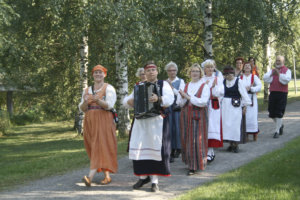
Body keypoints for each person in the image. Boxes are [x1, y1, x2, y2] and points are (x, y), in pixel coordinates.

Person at [123, 61, 174, 192]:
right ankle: (143, 177)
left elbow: (170, 99)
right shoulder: (139, 86)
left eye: (153, 70)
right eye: (148, 70)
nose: (151, 72)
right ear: (144, 73)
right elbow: (126, 102)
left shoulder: (164, 84)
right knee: (140, 150)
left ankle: (154, 181)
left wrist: (159, 99)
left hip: (156, 121)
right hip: (141, 123)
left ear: (157, 72)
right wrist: (129, 102)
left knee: (154, 150)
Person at [79, 65, 118, 186]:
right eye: (95, 72)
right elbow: (82, 108)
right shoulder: (87, 90)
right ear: (92, 75)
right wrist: (86, 102)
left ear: (104, 74)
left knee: (101, 145)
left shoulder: (109, 88)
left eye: (100, 72)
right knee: (93, 145)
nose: (98, 75)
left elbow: (109, 105)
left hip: (104, 119)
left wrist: (98, 101)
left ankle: (89, 177)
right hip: (90, 121)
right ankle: (107, 176)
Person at [177, 63, 210, 175]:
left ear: (200, 73)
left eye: (197, 71)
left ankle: (195, 165)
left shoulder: (204, 86)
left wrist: (188, 97)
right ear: (189, 73)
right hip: (186, 115)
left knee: (196, 140)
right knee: (187, 139)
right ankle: (190, 163)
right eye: (193, 71)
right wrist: (183, 98)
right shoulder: (185, 86)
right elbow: (180, 104)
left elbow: (203, 102)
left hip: (199, 116)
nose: (195, 73)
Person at [221, 66, 251, 153]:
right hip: (225, 107)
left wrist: (245, 106)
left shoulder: (238, 81)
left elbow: (244, 94)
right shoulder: (223, 82)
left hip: (235, 106)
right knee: (227, 125)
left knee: (235, 125)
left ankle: (236, 144)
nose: (228, 76)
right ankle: (230, 144)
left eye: (230, 74)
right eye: (226, 74)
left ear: (233, 74)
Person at [263, 55, 291, 138]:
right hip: (273, 93)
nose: (277, 62)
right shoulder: (272, 70)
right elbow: (265, 78)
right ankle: (280, 125)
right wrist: (272, 75)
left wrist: (279, 74)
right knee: (271, 113)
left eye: (279, 60)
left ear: (283, 61)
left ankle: (277, 131)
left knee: (279, 113)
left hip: (282, 93)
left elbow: (286, 80)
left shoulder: (287, 70)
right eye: (277, 60)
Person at [201, 59, 223, 162]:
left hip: (213, 106)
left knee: (212, 127)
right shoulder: (201, 79)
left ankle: (210, 150)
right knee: (204, 127)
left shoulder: (217, 78)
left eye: (211, 67)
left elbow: (221, 92)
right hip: (203, 106)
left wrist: (214, 87)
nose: (210, 69)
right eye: (207, 67)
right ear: (204, 69)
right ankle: (205, 150)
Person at [165, 61, 185, 163]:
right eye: (170, 70)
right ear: (167, 71)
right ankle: (171, 148)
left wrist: (171, 87)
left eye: (174, 70)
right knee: (169, 128)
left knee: (178, 127)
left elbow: (181, 94)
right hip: (168, 107)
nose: (172, 72)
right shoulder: (165, 82)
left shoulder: (180, 81)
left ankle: (179, 148)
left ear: (176, 71)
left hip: (177, 107)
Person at [240, 62, 262, 141]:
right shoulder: (240, 77)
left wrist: (251, 89)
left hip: (252, 98)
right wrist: (243, 89)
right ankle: (245, 134)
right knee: (244, 116)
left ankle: (254, 133)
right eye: (245, 66)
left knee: (252, 117)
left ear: (251, 68)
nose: (247, 67)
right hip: (243, 99)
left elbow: (259, 86)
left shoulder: (254, 77)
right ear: (243, 68)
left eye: (248, 66)